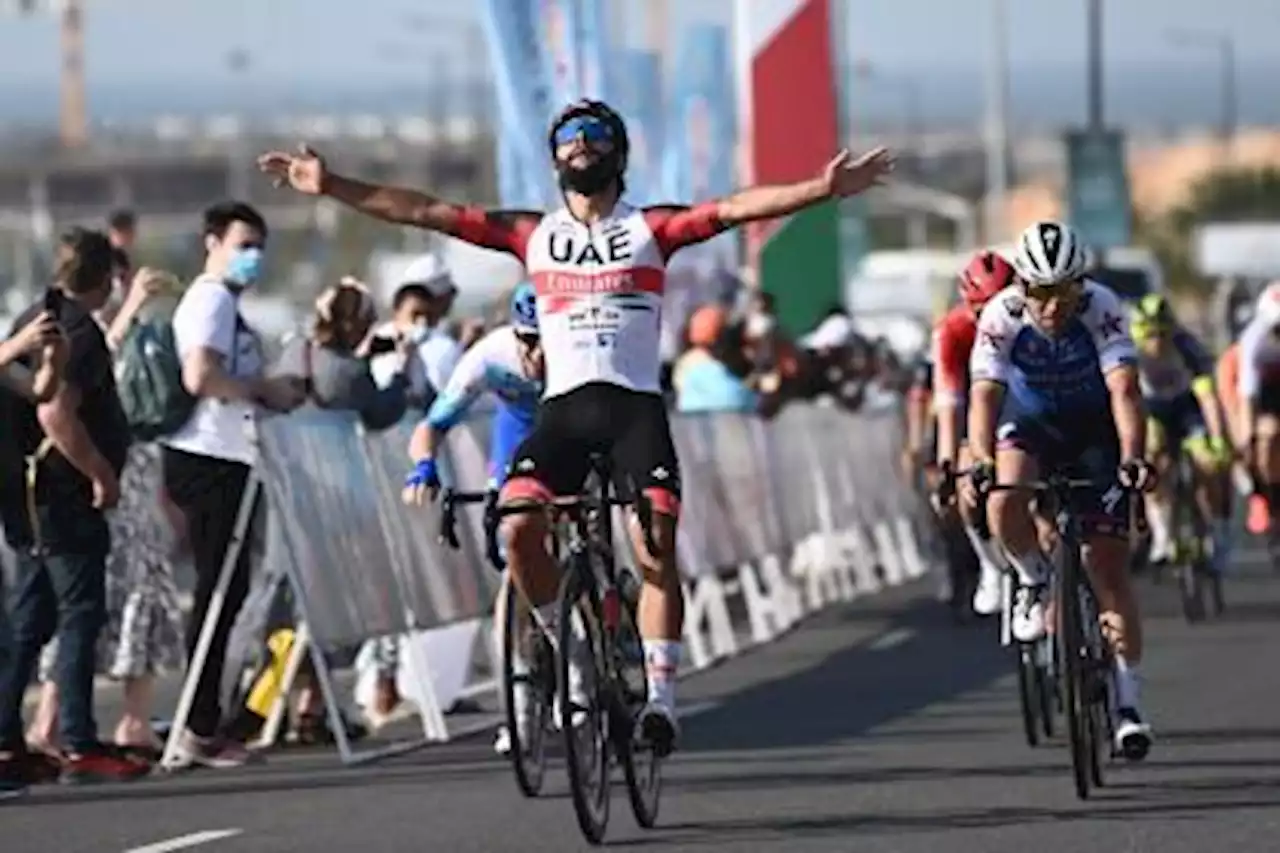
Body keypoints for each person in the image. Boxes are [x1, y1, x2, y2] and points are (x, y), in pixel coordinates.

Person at [260, 97, 894, 753]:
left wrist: (822, 188)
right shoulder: (533, 234)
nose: (580, 145)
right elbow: (426, 211)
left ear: (618, 154)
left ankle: (662, 701)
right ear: (554, 158)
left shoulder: (652, 227)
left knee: (654, 549)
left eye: (594, 136)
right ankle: (571, 653)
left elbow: (735, 208)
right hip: (562, 412)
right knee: (517, 528)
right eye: (567, 139)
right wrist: (332, 185)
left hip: (634, 411)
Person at [960, 220, 1156, 760]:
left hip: (1094, 428)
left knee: (1108, 567)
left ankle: (1127, 700)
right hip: (1031, 423)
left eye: (1065, 292)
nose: (1052, 306)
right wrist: (979, 460)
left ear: (1081, 287)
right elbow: (982, 397)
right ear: (1022, 287)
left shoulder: (1103, 306)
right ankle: (1030, 577)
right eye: (1042, 293)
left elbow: (1125, 391)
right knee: (1004, 497)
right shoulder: (1002, 316)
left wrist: (1134, 455)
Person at [162, 201, 307, 769]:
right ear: (212, 242)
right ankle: (197, 726)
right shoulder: (212, 300)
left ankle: (204, 719)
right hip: (209, 459)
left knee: (227, 592)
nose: (252, 257)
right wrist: (263, 389)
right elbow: (201, 376)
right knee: (220, 593)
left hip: (226, 459)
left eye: (259, 247)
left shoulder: (226, 304)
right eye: (242, 244)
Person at [0, 228, 147, 785]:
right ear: (105, 276)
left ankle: (8, 739)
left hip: (31, 497)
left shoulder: (33, 316)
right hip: (61, 495)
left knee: (30, 617)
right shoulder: (77, 330)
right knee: (79, 613)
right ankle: (80, 741)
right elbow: (54, 412)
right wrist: (100, 472)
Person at [401, 281, 548, 753]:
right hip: (517, 441)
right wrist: (424, 465)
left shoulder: (580, 349)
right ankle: (521, 699)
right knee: (515, 563)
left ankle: (595, 640)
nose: (538, 353)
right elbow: (432, 425)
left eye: (547, 339)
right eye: (528, 340)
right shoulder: (490, 356)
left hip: (571, 436)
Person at [932, 251, 1018, 617]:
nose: (994, 318)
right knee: (967, 490)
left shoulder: (1026, 319)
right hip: (975, 408)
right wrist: (948, 465)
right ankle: (990, 566)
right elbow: (949, 404)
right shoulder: (952, 333)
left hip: (1022, 402)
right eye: (983, 310)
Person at [1128, 294, 1232, 574]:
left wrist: (1218, 440)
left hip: (1188, 406)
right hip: (1153, 410)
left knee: (1206, 463)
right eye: (1150, 335)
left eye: (1163, 334)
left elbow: (1209, 398)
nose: (1157, 342)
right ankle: (1162, 534)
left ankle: (1215, 532)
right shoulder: (1129, 353)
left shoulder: (1188, 348)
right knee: (1153, 461)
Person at [367, 256, 462, 409]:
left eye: (426, 315)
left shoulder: (444, 346)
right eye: (415, 315)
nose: (420, 323)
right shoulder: (375, 342)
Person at [1235, 281, 1280, 551]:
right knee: (1262, 437)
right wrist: (1247, 442)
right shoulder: (1253, 339)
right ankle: (1263, 495)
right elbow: (1246, 397)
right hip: (1259, 389)